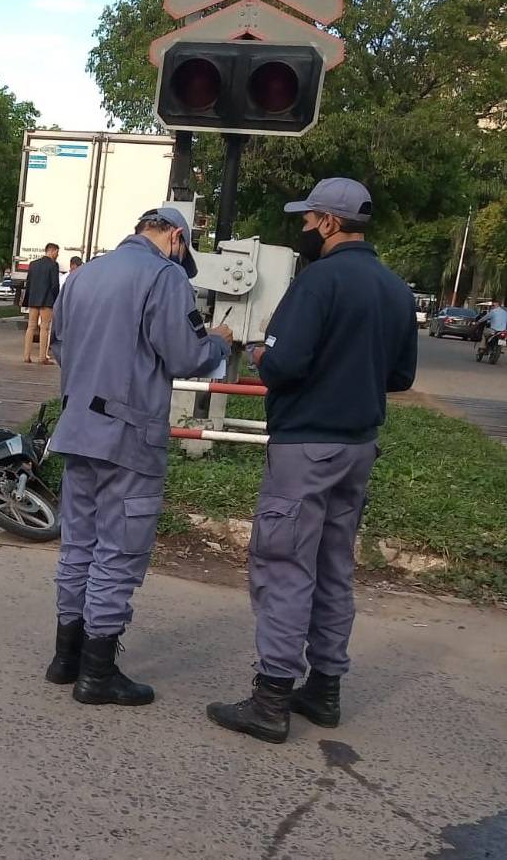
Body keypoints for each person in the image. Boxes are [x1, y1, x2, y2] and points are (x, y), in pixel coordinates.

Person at [208, 178, 417, 744]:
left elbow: (284, 364)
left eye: (307, 220)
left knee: (283, 566)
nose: (301, 229)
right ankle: (324, 690)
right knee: (332, 566)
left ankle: (271, 699)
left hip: (306, 446)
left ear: (328, 223)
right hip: (358, 447)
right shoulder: (397, 290)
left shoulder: (319, 282)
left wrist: (257, 353)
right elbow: (400, 376)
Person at [44, 208, 233, 706]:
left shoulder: (84, 275)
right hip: (129, 440)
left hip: (76, 430)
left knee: (78, 546)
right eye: (183, 248)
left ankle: (66, 658)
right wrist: (219, 342)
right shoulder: (164, 276)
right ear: (174, 237)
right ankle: (98, 675)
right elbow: (188, 355)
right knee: (118, 553)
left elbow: (59, 345)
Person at [23, 243, 61, 364]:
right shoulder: (53, 265)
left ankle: (26, 356)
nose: (57, 255)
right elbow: (55, 285)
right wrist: (56, 299)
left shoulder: (33, 264)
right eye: (57, 252)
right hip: (47, 301)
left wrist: (27, 299)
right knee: (44, 328)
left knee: (30, 327)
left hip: (33, 300)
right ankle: (42, 357)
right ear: (52, 251)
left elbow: (28, 283)